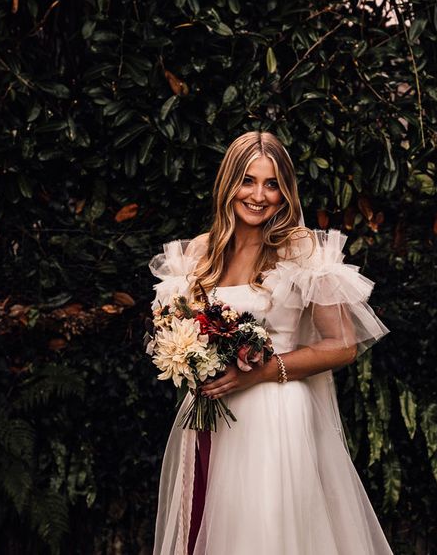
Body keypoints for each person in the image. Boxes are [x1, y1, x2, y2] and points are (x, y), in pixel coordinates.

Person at [149, 131, 393, 555]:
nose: (258, 195)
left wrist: (260, 372)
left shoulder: (300, 250)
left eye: (272, 183)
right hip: (209, 418)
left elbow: (343, 344)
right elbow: (176, 329)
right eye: (247, 180)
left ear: (286, 192)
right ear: (228, 184)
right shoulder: (199, 255)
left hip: (275, 417)